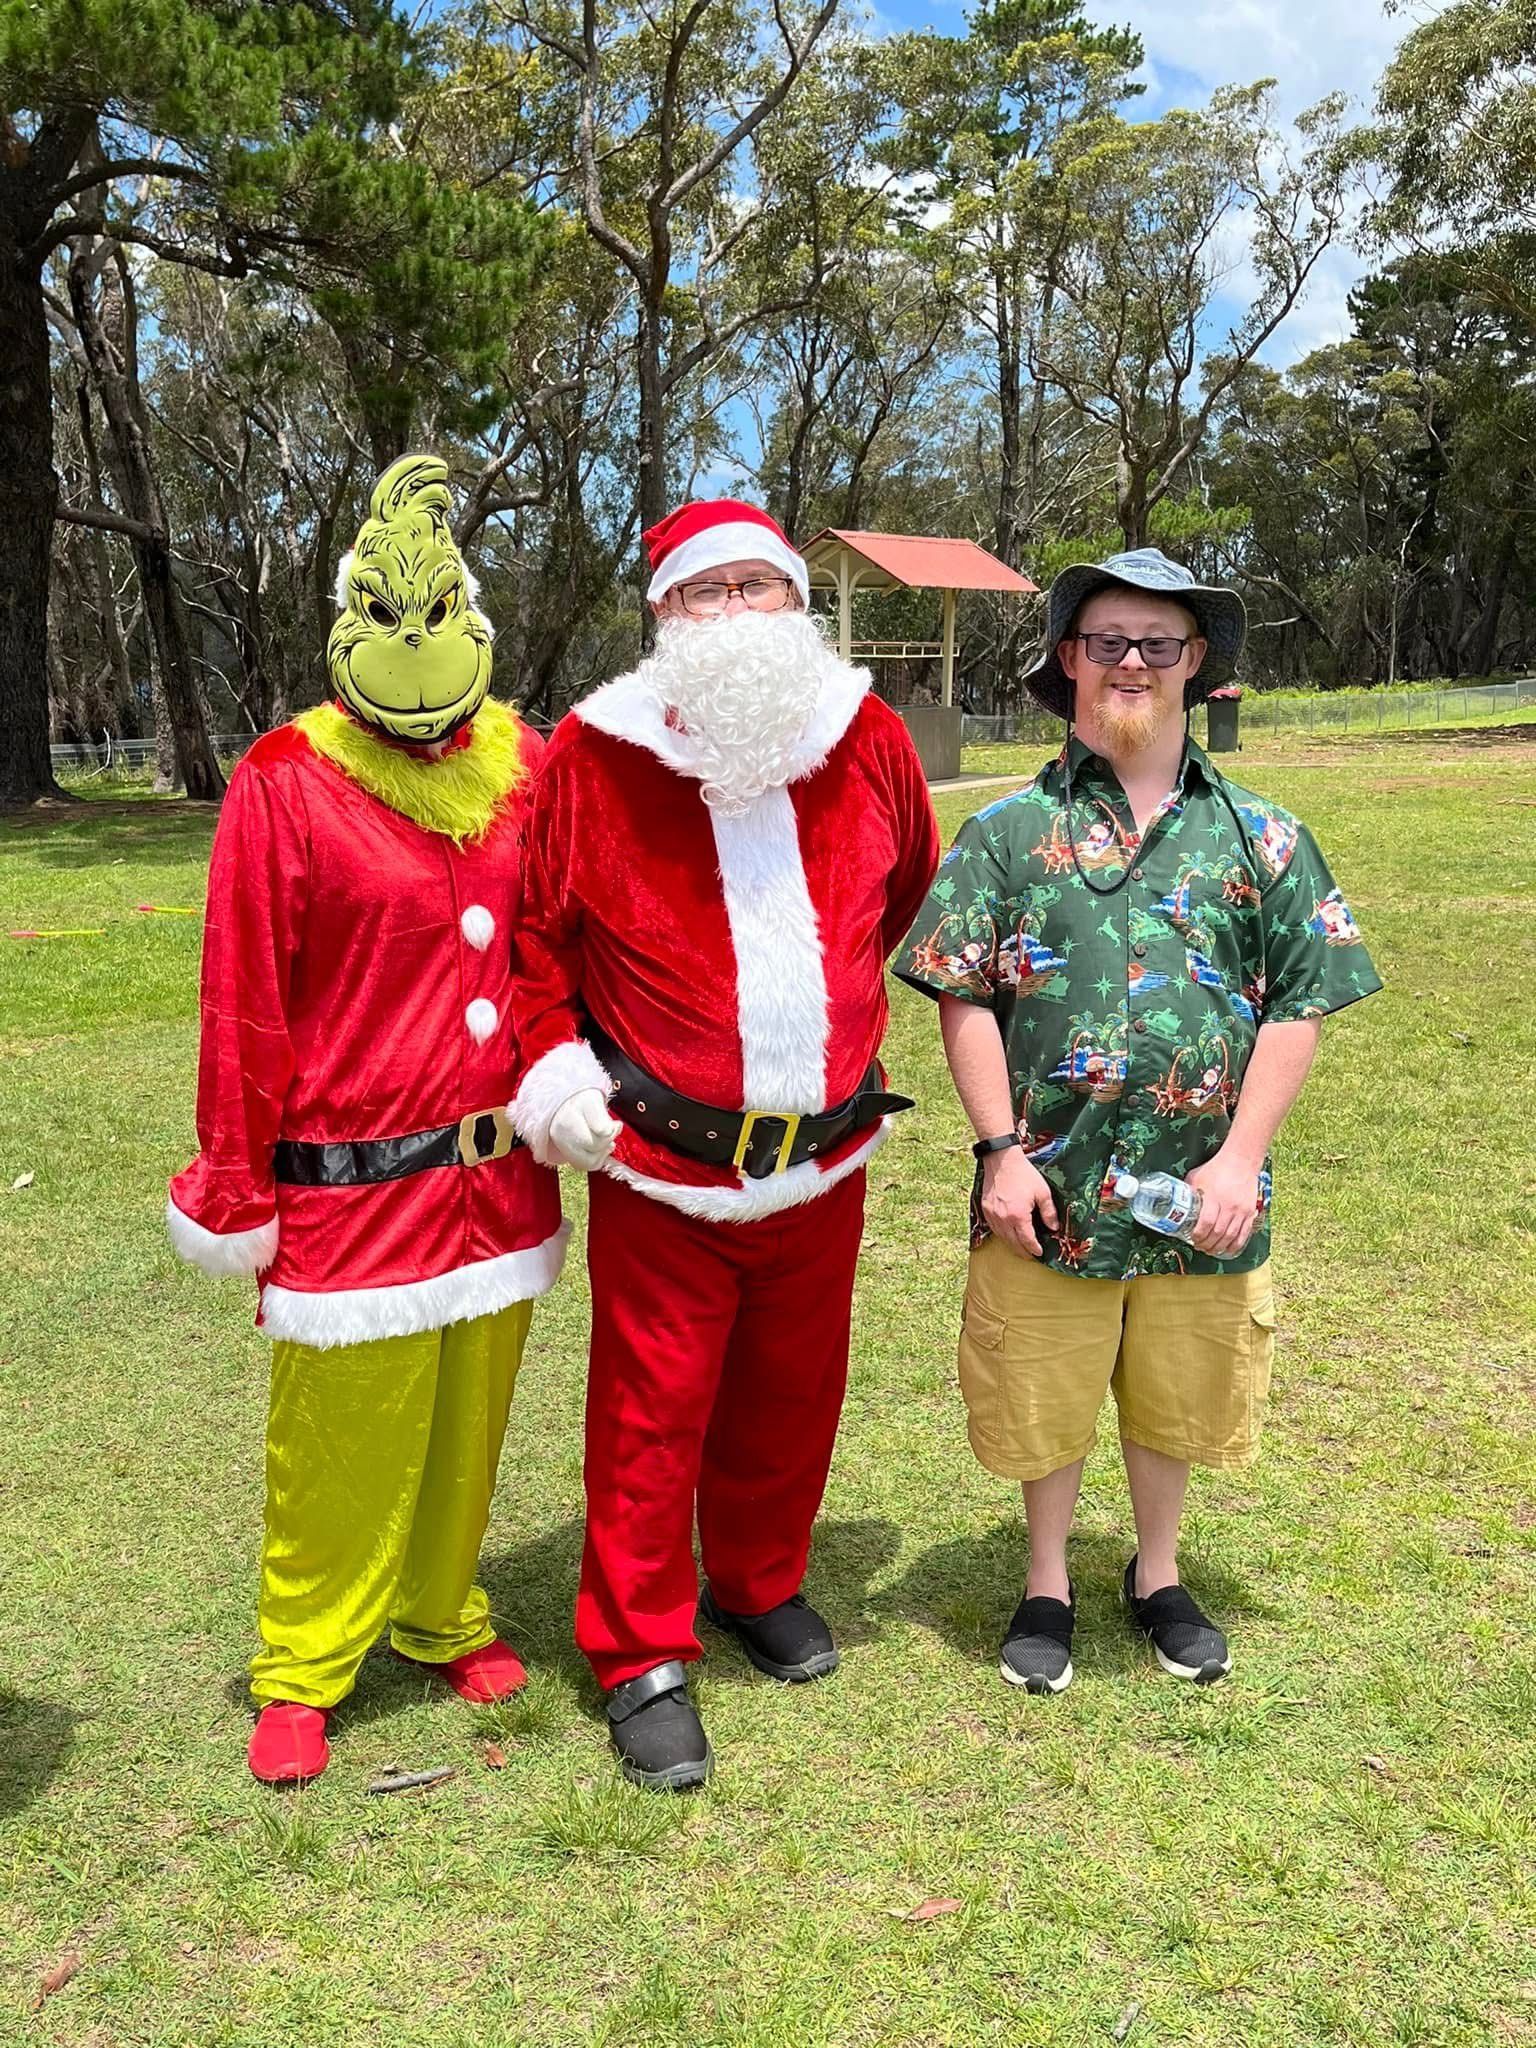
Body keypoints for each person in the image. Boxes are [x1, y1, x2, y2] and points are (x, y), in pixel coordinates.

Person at [507, 499, 939, 1790]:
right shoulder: (594, 754)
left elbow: (901, 884)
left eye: (762, 585)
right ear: (665, 615)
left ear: (796, 603)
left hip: (826, 1153)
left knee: (792, 1392)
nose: (740, 610)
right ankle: (639, 1647)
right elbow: (538, 933)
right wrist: (556, 1067)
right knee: (652, 1410)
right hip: (666, 1163)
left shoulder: (863, 731)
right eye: (711, 590)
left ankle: (758, 1581)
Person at [894, 549, 1381, 1693]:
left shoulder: (1263, 835)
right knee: (1045, 1391)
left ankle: (1157, 1573)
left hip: (1199, 1190)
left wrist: (1241, 1160)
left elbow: (1301, 1004)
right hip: (1046, 1190)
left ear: (1194, 664)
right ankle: (1048, 1581)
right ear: (1069, 660)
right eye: (1106, 641)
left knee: (1175, 1391)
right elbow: (962, 992)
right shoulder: (1008, 833)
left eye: (1157, 643)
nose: (1130, 663)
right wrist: (999, 1153)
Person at [167, 457, 568, 1783]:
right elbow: (243, 998)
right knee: (337, 1437)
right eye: (390, 615)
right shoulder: (287, 778)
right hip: (349, 1194)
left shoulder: (533, 765)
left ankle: (439, 1609)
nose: (418, 639)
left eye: (439, 608)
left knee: (469, 1423)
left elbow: (570, 939)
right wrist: (238, 1187)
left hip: (497, 1185)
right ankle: (302, 1661)